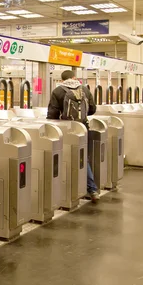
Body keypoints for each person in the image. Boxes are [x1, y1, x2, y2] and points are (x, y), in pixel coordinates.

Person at [47, 70, 100, 203]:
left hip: (66, 129)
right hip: (83, 127)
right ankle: (92, 189)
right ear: (74, 77)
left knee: (64, 157)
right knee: (83, 157)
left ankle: (68, 191)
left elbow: (52, 114)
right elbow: (92, 109)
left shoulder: (58, 91)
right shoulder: (85, 89)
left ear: (62, 79)